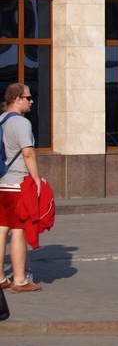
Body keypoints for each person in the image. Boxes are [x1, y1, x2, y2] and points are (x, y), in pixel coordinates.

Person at [0, 83, 43, 292]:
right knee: (18, 230)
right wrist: (36, 180)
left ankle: (0, 278)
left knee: (1, 229)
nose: (31, 101)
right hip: (17, 183)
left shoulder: (0, 120)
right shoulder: (21, 123)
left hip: (1, 184)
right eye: (28, 97)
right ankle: (20, 280)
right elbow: (27, 153)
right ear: (17, 99)